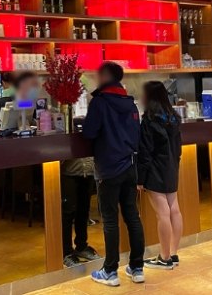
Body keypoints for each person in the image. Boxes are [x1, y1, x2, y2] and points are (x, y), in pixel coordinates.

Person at [83, 62, 145, 287]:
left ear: (106, 77)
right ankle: (137, 268)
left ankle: (110, 271)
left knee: (110, 220)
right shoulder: (130, 103)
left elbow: (89, 132)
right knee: (132, 216)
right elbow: (136, 135)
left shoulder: (99, 102)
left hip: (108, 168)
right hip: (130, 166)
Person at [137, 81, 183, 270]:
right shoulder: (174, 118)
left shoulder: (149, 120)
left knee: (162, 213)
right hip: (171, 167)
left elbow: (145, 152)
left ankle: (164, 258)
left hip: (155, 170)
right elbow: (178, 148)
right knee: (174, 210)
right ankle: (173, 253)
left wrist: (140, 179)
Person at [61, 157, 100, 267]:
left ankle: (81, 246)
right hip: (69, 172)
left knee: (83, 211)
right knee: (67, 213)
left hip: (89, 171)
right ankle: (66, 252)